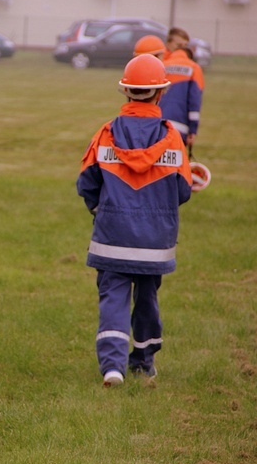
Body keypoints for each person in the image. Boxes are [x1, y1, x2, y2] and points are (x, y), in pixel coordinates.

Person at [76, 54, 193, 388]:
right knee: (147, 299)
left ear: (126, 92)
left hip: (111, 238)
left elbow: (86, 183)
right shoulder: (172, 138)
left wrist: (102, 211)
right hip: (155, 244)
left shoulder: (106, 133)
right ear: (160, 94)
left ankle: (112, 367)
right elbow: (183, 191)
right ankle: (143, 361)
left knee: (112, 298)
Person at [161, 40, 204, 148]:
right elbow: (194, 102)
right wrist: (193, 130)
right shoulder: (194, 68)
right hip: (180, 128)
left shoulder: (162, 65)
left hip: (157, 124)